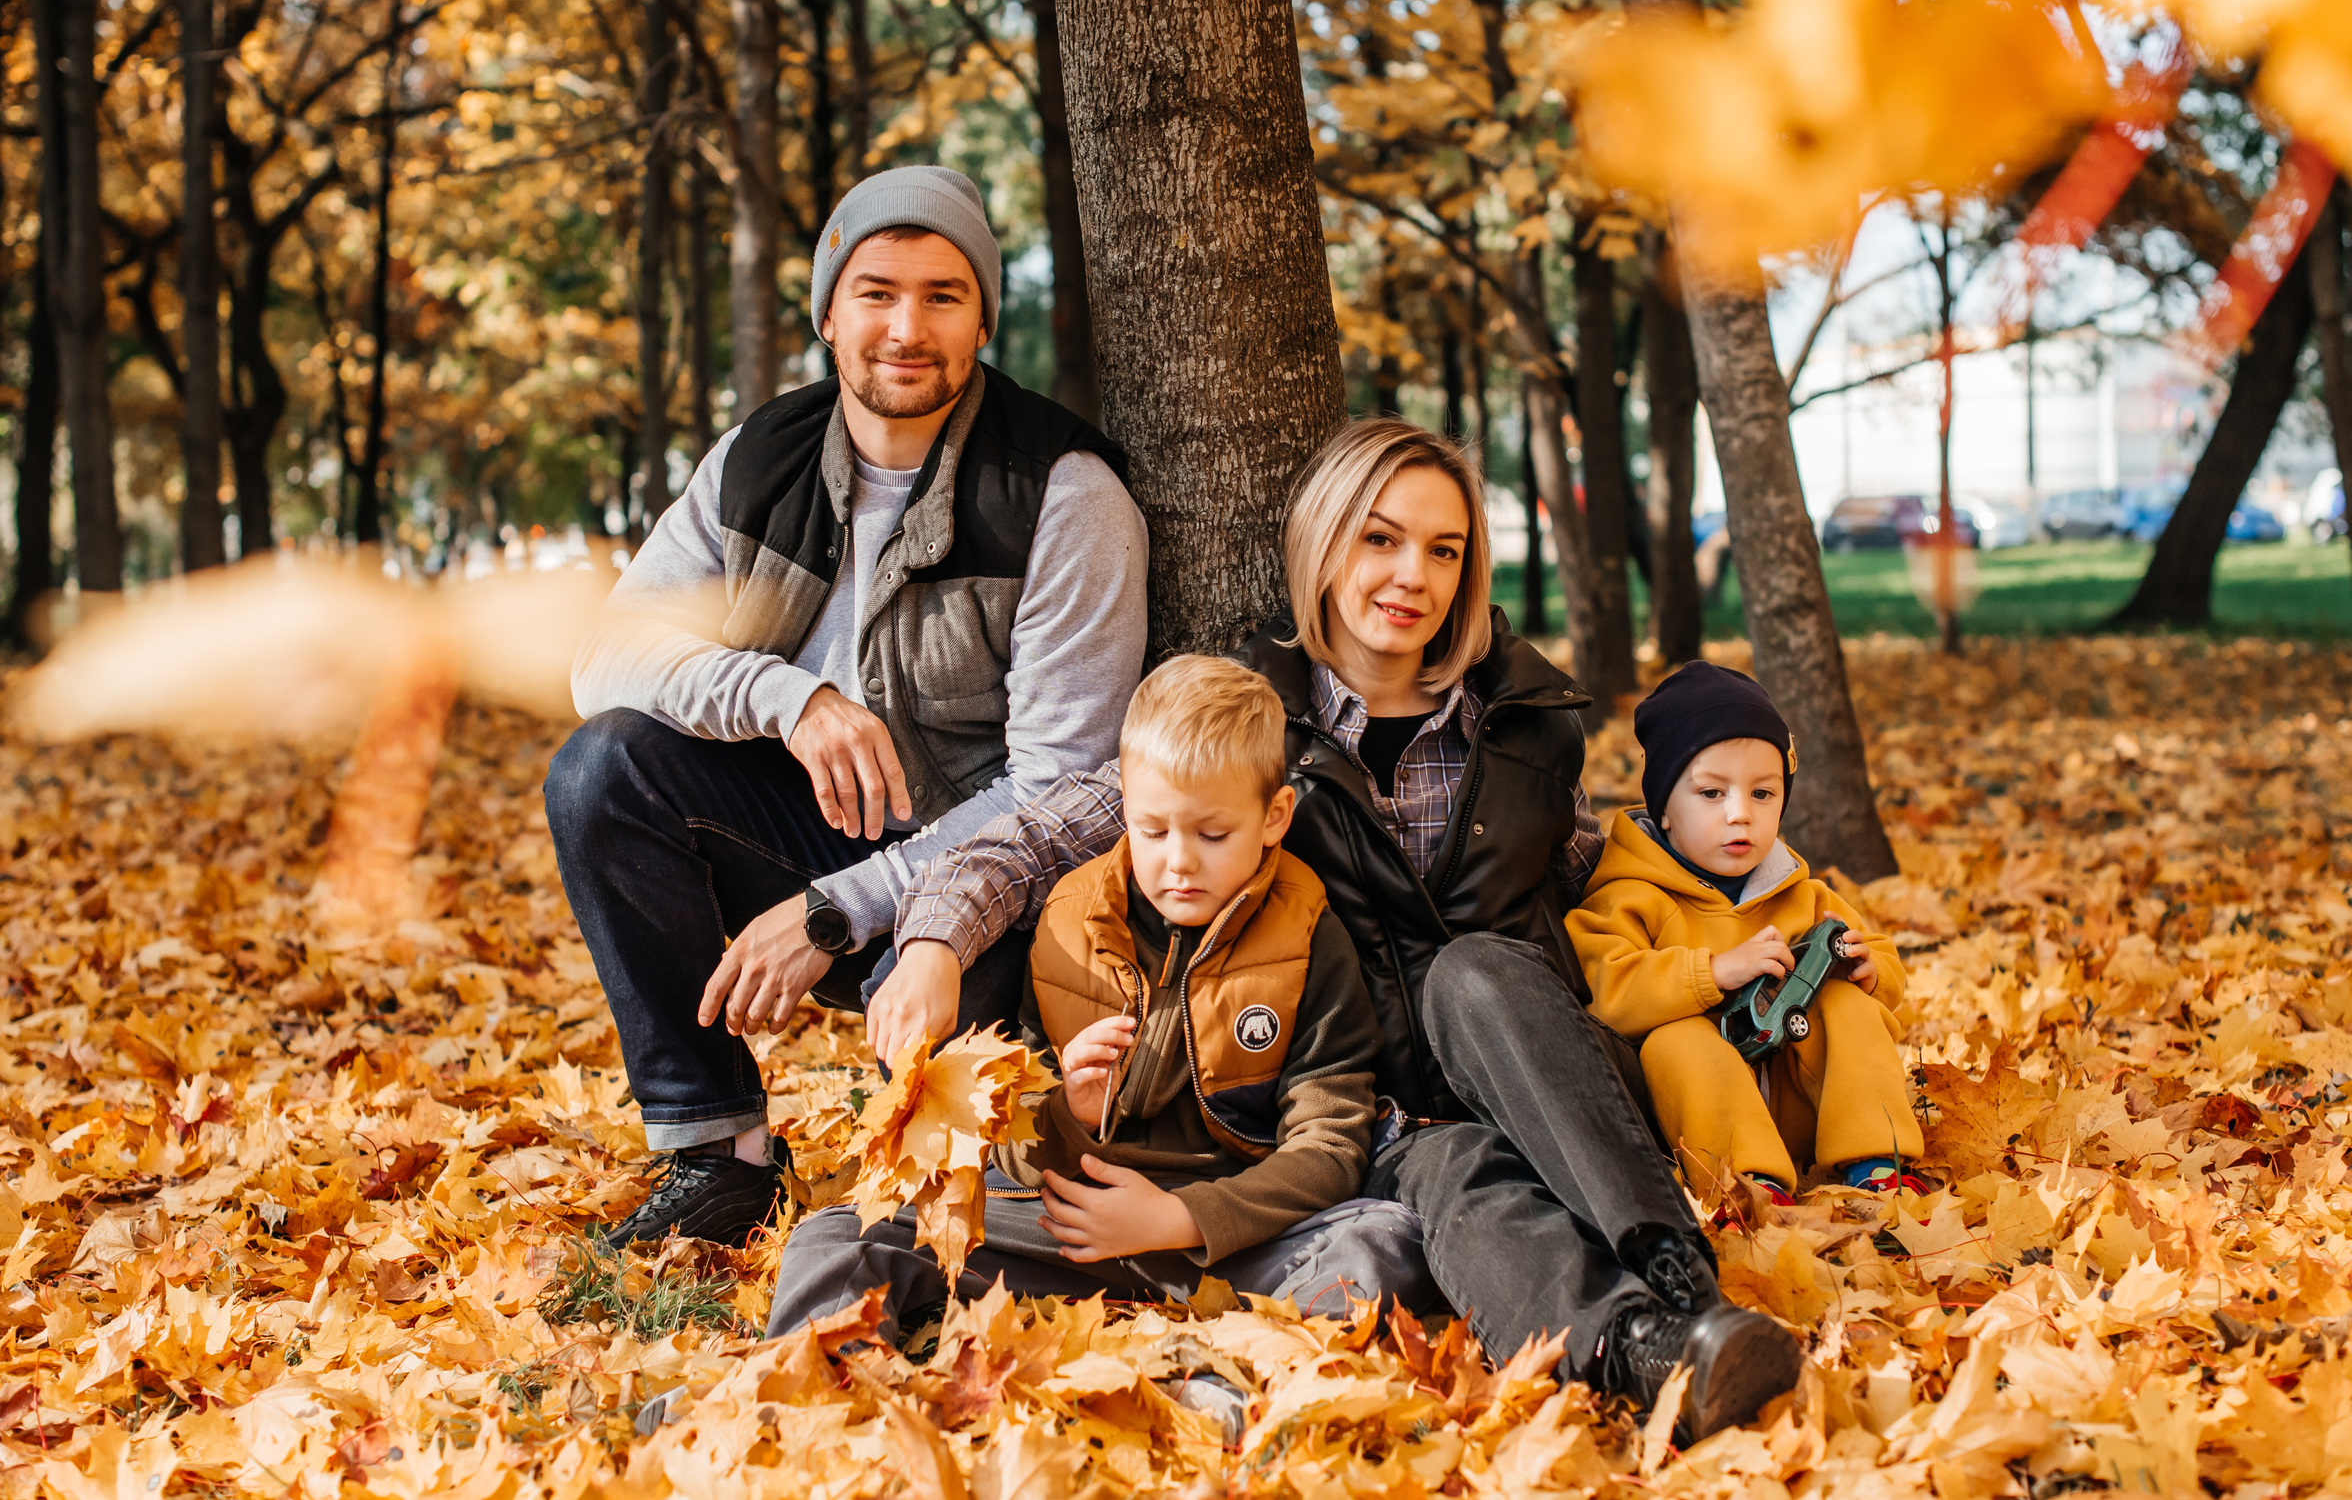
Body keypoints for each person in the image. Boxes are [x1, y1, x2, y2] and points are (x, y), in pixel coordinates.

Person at [829, 419, 1803, 1443]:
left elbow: (1627, 866)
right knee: (1458, 1186)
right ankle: (1654, 1358)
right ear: (1322, 543)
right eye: (1378, 539)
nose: (1410, 574)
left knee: (1471, 973)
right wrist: (932, 940)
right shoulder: (1251, 731)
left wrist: (1798, 930)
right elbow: (1025, 840)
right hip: (1368, 1114)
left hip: (1539, 1070)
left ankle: (1681, 1278)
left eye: (1444, 549)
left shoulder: (1524, 722)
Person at [546, 165, 1149, 1246]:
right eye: (875, 291)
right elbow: (604, 652)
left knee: (966, 1183)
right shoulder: (756, 462)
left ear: (981, 318)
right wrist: (788, 696)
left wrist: (843, 907)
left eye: (943, 294)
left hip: (989, 883)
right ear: (828, 311)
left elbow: (1067, 787)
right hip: (808, 822)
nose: (905, 327)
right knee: (604, 767)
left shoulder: (1063, 493)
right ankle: (717, 1152)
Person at [766, 655, 1428, 1343]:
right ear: (1127, 815)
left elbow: (1329, 1143)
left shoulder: (1309, 934)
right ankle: (807, 1383)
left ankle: (1226, 1383)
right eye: (1153, 829)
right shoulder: (1068, 921)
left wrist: (1186, 1217)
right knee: (840, 1233)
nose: (1179, 859)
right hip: (1064, 1226)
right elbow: (1011, 1144)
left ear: (1274, 816)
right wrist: (1067, 1111)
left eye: (1212, 833)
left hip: (1234, 1236)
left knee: (1383, 1241)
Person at [1567, 662, 1928, 1200]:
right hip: (1702, 1124)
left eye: (1763, 794)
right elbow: (1608, 992)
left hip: (1799, 1104)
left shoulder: (1799, 892)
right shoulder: (1629, 894)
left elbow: (1878, 956)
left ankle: (1877, 1162)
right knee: (1676, 1039)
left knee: (1847, 1005)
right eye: (1712, 794)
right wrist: (1712, 972)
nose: (1741, 814)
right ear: (1664, 808)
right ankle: (1747, 1186)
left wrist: (1870, 970)